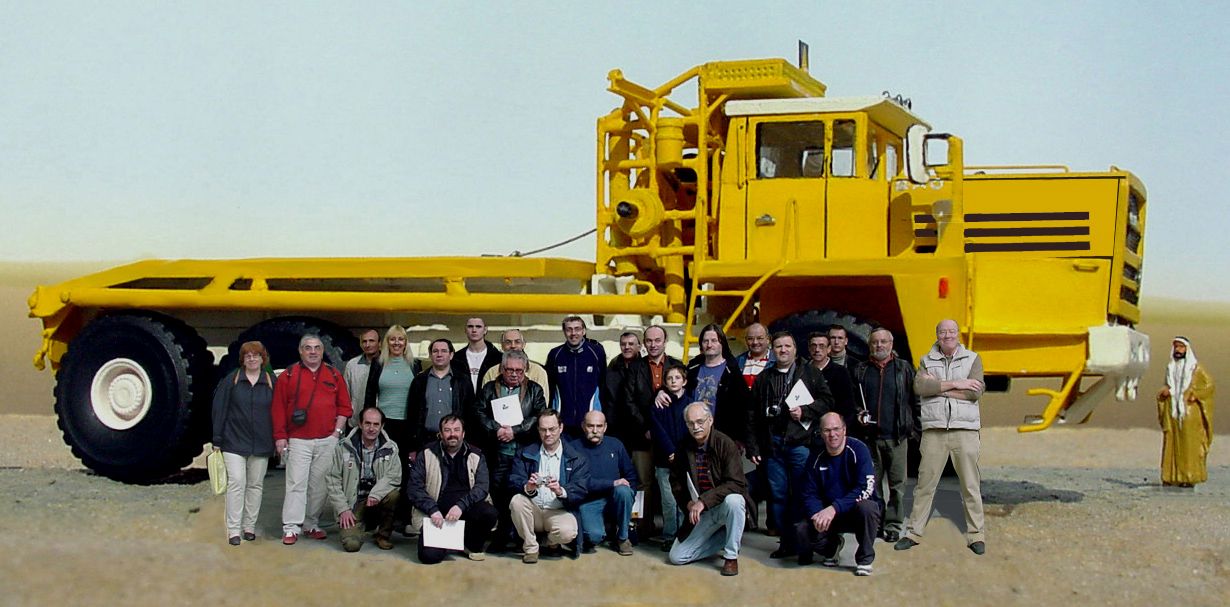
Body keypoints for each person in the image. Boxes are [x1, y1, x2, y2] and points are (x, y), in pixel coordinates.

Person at [896, 319, 987, 555]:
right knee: (924, 485)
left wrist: (938, 387)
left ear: (958, 334)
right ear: (936, 335)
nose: (947, 335)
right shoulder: (926, 360)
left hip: (964, 431)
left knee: (970, 484)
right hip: (934, 431)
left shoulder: (973, 359)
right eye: (942, 332)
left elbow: (974, 392)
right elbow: (920, 389)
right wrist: (957, 383)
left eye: (951, 331)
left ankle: (976, 535)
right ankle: (913, 533)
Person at [748, 331, 833, 559]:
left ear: (795, 349)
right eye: (778, 346)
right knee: (777, 495)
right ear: (772, 350)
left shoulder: (810, 373)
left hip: (800, 444)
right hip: (772, 446)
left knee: (802, 494)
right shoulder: (764, 378)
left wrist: (804, 411)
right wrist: (753, 447)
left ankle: (804, 543)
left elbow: (827, 402)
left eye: (787, 346)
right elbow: (753, 415)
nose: (783, 350)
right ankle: (786, 543)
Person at [272, 334, 353, 545]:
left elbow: (345, 407)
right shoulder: (288, 376)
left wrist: (336, 433)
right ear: (300, 351)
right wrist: (280, 437)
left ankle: (311, 524)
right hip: (298, 440)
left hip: (327, 439)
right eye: (308, 348)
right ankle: (291, 527)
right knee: (296, 484)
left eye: (317, 347)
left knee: (320, 485)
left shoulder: (334, 375)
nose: (313, 352)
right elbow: (278, 408)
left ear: (322, 350)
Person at [472, 350, 549, 552]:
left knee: (522, 495)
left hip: (523, 453)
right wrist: (496, 429)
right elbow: (478, 412)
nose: (514, 374)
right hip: (497, 453)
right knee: (499, 495)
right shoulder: (489, 388)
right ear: (502, 369)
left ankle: (522, 537)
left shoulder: (535, 390)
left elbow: (539, 416)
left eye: (519, 370)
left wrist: (515, 431)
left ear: (525, 371)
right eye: (510, 370)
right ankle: (502, 536)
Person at [850, 327, 918, 542]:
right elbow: (852, 402)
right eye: (875, 342)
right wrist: (858, 414)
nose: (879, 346)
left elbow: (915, 401)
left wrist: (916, 430)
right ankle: (876, 523)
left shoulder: (904, 369)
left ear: (891, 345)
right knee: (872, 485)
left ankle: (894, 524)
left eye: (883, 342)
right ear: (869, 346)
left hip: (897, 438)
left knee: (898, 486)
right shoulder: (860, 370)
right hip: (870, 440)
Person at [667, 402, 750, 576]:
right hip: (700, 513)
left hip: (721, 506)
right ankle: (725, 537)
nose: (696, 427)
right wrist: (688, 503)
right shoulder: (683, 446)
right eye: (690, 423)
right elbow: (676, 481)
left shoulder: (725, 444)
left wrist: (704, 501)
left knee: (735, 500)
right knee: (677, 557)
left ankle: (731, 556)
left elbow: (737, 483)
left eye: (700, 421)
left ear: (710, 420)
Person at [796, 412, 881, 576]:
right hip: (828, 516)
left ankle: (865, 559)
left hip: (853, 510)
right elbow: (808, 492)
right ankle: (832, 547)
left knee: (869, 508)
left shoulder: (859, 450)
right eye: (827, 430)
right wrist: (816, 514)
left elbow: (865, 487)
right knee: (802, 529)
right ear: (821, 433)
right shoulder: (816, 457)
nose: (832, 434)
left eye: (836, 429)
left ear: (844, 430)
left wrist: (834, 508)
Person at [406, 415, 499, 563]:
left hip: (466, 511)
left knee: (489, 513)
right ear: (441, 434)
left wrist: (460, 506)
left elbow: (482, 487)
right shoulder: (427, 453)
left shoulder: (476, 455)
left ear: (463, 433)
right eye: (447, 430)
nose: (452, 434)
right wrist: (432, 509)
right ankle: (447, 542)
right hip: (437, 516)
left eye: (456, 430)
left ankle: (469, 543)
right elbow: (414, 488)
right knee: (429, 557)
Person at [620, 325, 683, 540]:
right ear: (644, 343)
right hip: (642, 436)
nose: (653, 344)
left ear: (665, 341)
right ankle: (642, 527)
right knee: (642, 483)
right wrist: (645, 427)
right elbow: (628, 402)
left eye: (658, 340)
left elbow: (682, 395)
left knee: (673, 484)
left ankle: (675, 531)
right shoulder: (635, 368)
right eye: (649, 340)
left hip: (671, 436)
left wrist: (662, 393)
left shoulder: (677, 366)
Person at [211, 340, 276, 545]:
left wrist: (279, 439)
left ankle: (249, 527)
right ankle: (233, 530)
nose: (252, 358)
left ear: (262, 358)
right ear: (243, 359)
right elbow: (219, 410)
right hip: (233, 441)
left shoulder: (272, 381)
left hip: (262, 443)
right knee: (237, 483)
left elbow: (279, 412)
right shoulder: (232, 380)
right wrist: (217, 439)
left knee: (255, 485)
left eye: (256, 355)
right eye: (248, 355)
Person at [508, 410, 591, 563]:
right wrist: (528, 487)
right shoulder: (525, 452)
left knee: (568, 532)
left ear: (561, 428)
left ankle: (550, 542)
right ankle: (531, 547)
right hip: (533, 509)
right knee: (516, 501)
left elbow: (582, 489)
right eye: (543, 429)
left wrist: (561, 491)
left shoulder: (577, 457)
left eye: (552, 429)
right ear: (538, 430)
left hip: (558, 511)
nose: (547, 434)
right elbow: (513, 479)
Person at [325, 407, 402, 552]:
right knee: (351, 546)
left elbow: (394, 476)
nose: (371, 428)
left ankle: (382, 535)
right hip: (354, 503)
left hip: (377, 499)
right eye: (367, 423)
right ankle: (360, 526)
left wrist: (376, 493)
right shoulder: (343, 447)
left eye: (376, 424)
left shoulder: (391, 448)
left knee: (393, 495)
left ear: (382, 426)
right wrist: (343, 509)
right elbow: (332, 479)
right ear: (360, 424)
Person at [576, 411, 639, 555]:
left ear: (605, 427)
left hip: (615, 497)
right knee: (593, 537)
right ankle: (608, 528)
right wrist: (612, 483)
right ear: (583, 426)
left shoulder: (615, 444)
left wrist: (630, 498)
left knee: (624, 491)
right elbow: (580, 483)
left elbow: (631, 476)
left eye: (599, 426)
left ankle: (623, 538)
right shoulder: (574, 448)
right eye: (590, 426)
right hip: (589, 501)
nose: (595, 431)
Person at [1157, 337, 1215, 487]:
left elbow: (1209, 386)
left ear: (1187, 349)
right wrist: (1166, 392)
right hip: (1173, 411)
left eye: (1181, 347)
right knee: (1171, 443)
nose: (1178, 350)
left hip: (1189, 413)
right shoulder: (1171, 367)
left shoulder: (1196, 369)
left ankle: (1188, 477)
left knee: (1189, 445)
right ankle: (1170, 476)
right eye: (1176, 347)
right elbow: (1170, 385)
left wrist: (1196, 394)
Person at [363, 325, 421, 474]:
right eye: (392, 339)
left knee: (404, 468)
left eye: (400, 339)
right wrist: (367, 421)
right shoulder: (378, 363)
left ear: (406, 342)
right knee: (383, 466)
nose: (396, 343)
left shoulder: (414, 365)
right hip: (384, 424)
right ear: (387, 342)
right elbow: (370, 393)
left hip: (408, 424)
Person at [683, 324, 752, 444]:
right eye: (706, 341)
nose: (709, 345)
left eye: (714, 340)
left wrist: (739, 438)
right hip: (693, 435)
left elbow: (743, 408)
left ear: (722, 343)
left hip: (724, 437)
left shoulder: (732, 371)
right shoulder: (692, 369)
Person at [407, 339, 475, 455]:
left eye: (444, 351)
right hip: (425, 440)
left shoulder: (462, 381)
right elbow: (412, 414)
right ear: (430, 355)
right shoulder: (419, 380)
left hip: (455, 442)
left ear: (451, 355)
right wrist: (412, 446)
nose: (439, 354)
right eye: (435, 351)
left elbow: (470, 413)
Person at [649, 363, 689, 550]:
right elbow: (658, 430)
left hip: (685, 462)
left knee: (684, 499)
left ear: (685, 381)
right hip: (664, 461)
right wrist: (670, 451)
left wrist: (679, 454)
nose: (673, 381)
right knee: (668, 500)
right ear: (664, 382)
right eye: (670, 378)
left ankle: (684, 534)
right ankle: (669, 535)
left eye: (677, 378)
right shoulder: (659, 404)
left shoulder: (690, 404)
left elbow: (692, 431)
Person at [546, 315, 607, 437]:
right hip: (563, 421)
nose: (573, 333)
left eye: (577, 329)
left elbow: (603, 383)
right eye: (569, 329)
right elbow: (550, 387)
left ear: (584, 331)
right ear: (564, 332)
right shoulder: (555, 354)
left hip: (589, 422)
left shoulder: (596, 352)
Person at [808, 331, 858, 429]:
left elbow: (848, 406)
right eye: (813, 346)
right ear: (809, 348)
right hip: (807, 428)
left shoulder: (840, 372)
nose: (817, 350)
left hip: (833, 429)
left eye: (822, 346)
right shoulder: (802, 371)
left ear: (829, 349)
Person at [480, 329, 549, 392]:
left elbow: (542, 403)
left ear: (523, 344)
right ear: (501, 346)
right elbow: (485, 402)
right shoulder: (491, 373)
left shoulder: (538, 372)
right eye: (508, 342)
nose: (513, 346)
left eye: (517, 342)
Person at [452, 317, 502, 392]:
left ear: (485, 330)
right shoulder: (456, 357)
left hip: (488, 401)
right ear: (465, 330)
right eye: (470, 326)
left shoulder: (498, 357)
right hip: (463, 402)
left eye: (478, 326)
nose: (474, 330)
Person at [343, 328, 381, 426]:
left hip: (380, 424)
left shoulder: (387, 365)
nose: (367, 345)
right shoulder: (352, 365)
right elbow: (345, 395)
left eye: (371, 341)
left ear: (379, 343)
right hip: (356, 423)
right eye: (364, 341)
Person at [736, 323, 773, 389]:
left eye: (759, 338)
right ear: (746, 340)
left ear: (768, 339)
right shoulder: (737, 361)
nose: (755, 342)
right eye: (750, 338)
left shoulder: (776, 361)